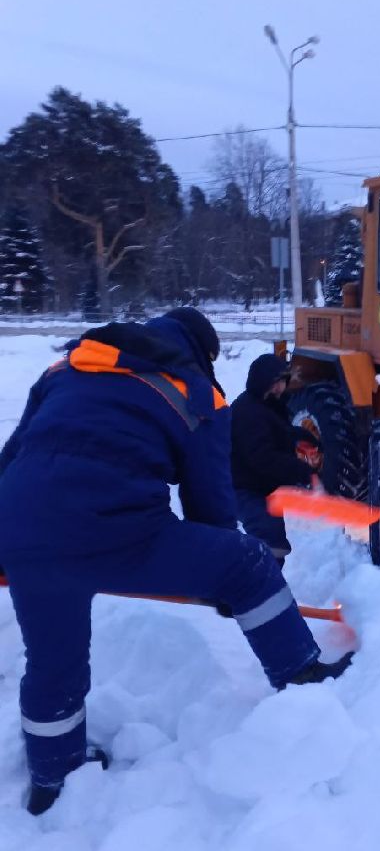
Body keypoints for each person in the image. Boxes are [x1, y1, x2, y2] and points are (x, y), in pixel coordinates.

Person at [0, 308, 351, 816]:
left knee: (54, 661)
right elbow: (209, 504)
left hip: (21, 527)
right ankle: (300, 675)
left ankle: (53, 779)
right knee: (249, 562)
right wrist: (226, 585)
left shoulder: (68, 367)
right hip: (117, 529)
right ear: (202, 353)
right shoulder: (195, 391)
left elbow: (12, 457)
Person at [230, 353, 321, 567]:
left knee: (273, 544)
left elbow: (277, 431)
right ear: (263, 381)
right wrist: (301, 470)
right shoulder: (247, 411)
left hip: (260, 487)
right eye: (276, 382)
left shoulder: (267, 404)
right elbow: (262, 457)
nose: (281, 387)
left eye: (283, 381)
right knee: (270, 542)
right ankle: (256, 591)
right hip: (241, 488)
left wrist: (298, 435)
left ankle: (264, 589)